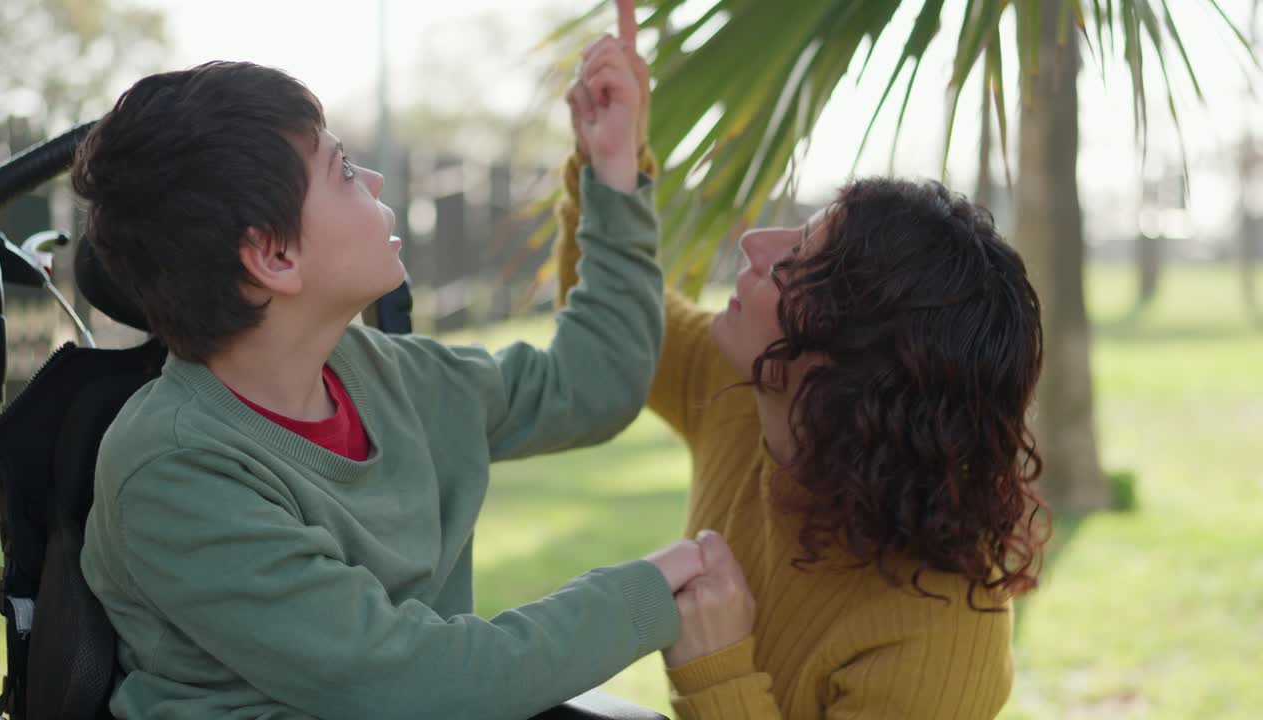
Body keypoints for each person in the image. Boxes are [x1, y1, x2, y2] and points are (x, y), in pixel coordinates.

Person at [74, 48, 705, 720]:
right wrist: (645, 595)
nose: (373, 180)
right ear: (274, 256)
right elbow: (412, 683)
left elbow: (592, 385)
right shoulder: (176, 469)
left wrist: (612, 174)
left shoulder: (391, 377)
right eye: (342, 170)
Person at [557, 42, 1050, 719]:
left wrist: (716, 671)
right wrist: (609, 163)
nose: (756, 242)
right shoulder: (748, 391)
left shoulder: (940, 634)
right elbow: (617, 328)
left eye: (797, 262)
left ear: (853, 365)